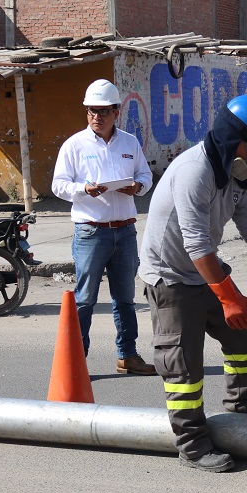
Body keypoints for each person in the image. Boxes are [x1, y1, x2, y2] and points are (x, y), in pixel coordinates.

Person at [139, 95, 247, 473]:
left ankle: (241, 412)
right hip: (171, 276)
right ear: (229, 136)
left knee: (245, 334)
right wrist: (228, 296)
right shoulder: (194, 171)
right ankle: (192, 445)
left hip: (204, 270)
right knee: (183, 365)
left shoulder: (235, 174)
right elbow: (196, 243)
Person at [51, 79, 155, 376]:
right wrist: (84, 190)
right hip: (90, 231)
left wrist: (137, 187)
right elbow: (58, 185)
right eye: (91, 111)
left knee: (125, 299)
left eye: (103, 111)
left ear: (116, 111)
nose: (96, 116)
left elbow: (146, 175)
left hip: (124, 232)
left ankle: (128, 356)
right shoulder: (74, 145)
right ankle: (76, 360)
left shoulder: (129, 142)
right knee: (84, 299)